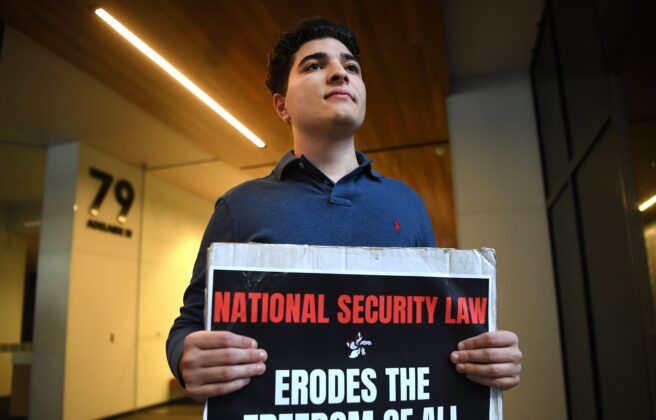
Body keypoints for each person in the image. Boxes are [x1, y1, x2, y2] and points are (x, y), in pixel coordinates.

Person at [167, 17, 522, 403]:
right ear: (281, 105)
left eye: (351, 67)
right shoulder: (239, 206)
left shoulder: (408, 204)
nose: (339, 73)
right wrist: (185, 357)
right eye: (315, 65)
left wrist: (489, 358)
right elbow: (189, 323)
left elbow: (434, 331)